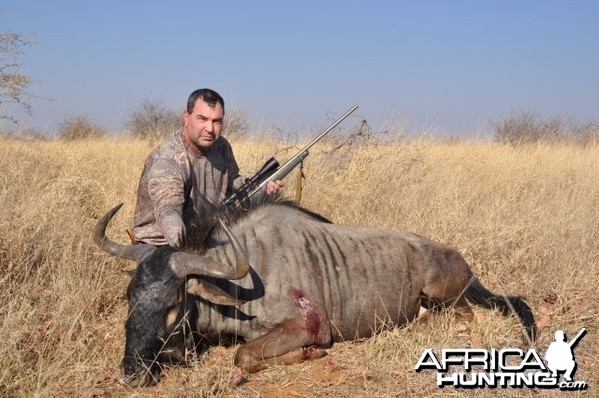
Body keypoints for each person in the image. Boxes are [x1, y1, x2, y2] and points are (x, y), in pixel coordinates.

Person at [127, 88, 284, 248]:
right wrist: (187, 250)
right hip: (162, 245)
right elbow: (168, 211)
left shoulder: (221, 146)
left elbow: (233, 184)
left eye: (217, 121)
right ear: (186, 117)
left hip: (207, 238)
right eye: (202, 119)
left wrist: (262, 187)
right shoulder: (168, 160)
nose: (210, 129)